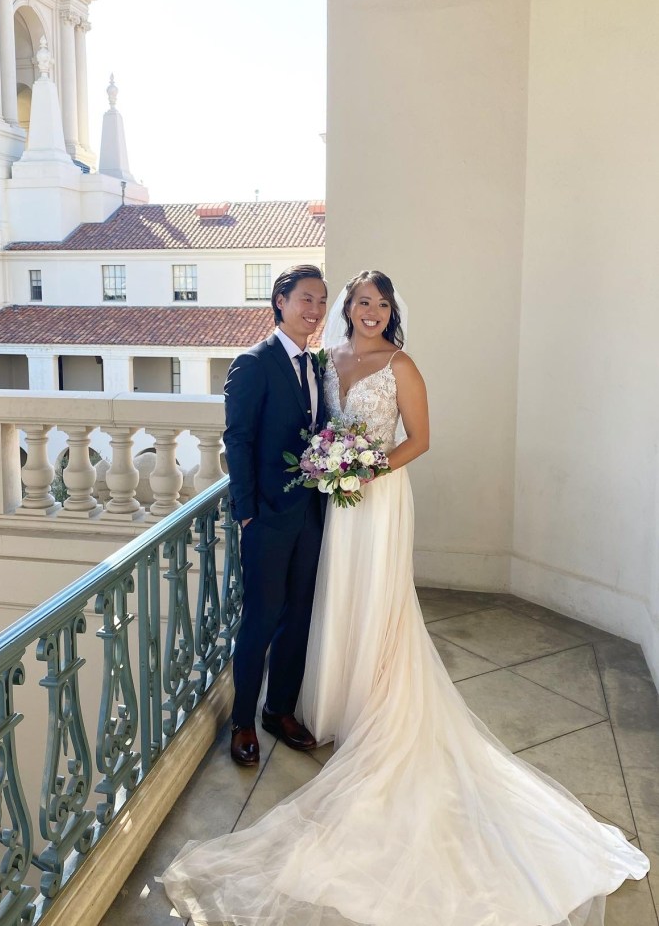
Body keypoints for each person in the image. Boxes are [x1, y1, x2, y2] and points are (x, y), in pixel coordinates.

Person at [162, 269, 650, 925]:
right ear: (319, 306)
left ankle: (343, 704)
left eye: (380, 303)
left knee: (359, 602)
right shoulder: (320, 359)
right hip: (318, 509)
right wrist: (256, 507)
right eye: (357, 301)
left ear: (391, 311)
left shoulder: (400, 365)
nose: (369, 310)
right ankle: (267, 716)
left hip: (373, 500)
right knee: (308, 606)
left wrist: (362, 469)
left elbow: (418, 439)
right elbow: (254, 438)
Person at [223, 264, 328, 767]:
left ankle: (278, 710)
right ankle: (242, 720)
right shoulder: (253, 362)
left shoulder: (317, 365)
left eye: (322, 301)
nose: (315, 310)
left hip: (311, 513)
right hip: (265, 517)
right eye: (306, 298)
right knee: (261, 619)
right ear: (280, 302)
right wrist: (247, 515)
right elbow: (237, 440)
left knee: (299, 614)